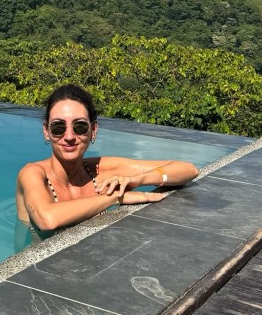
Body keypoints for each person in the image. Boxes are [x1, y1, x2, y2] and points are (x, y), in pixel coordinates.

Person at [16, 83, 199, 238]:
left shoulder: (100, 169)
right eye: (58, 127)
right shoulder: (33, 173)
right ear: (46, 131)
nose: (69, 136)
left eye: (80, 126)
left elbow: (188, 169)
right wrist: (115, 197)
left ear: (93, 130)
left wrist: (138, 180)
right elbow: (47, 219)